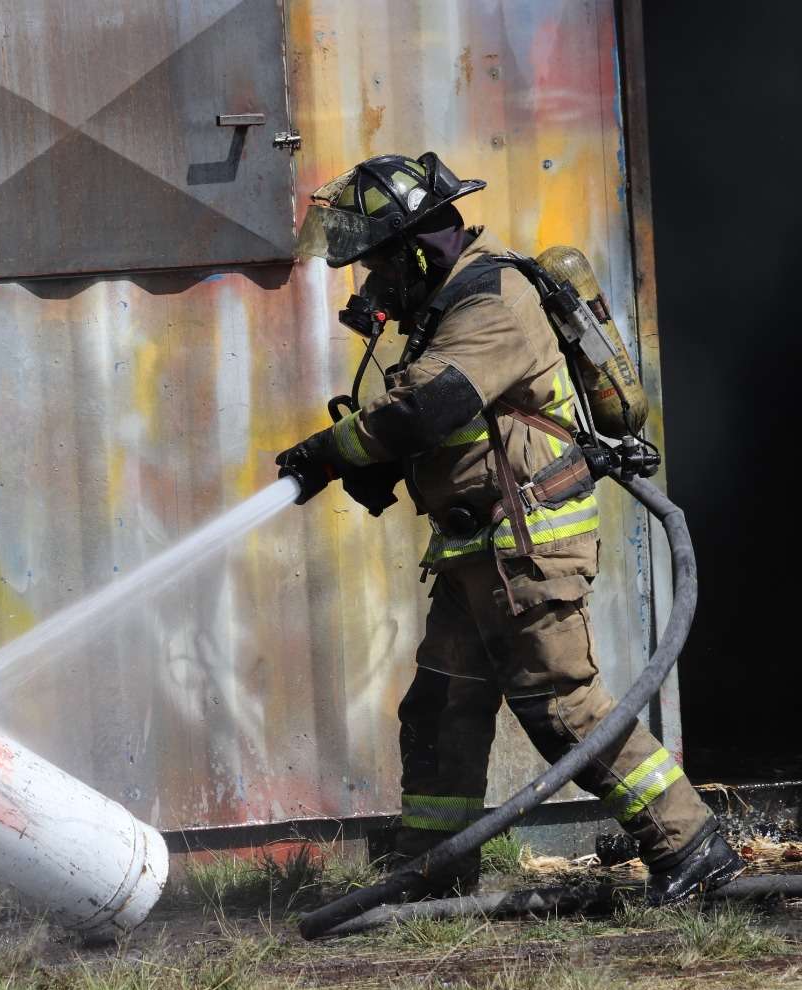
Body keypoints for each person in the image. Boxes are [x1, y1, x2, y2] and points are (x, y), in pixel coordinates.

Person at [276, 153, 741, 903]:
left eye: (378, 263)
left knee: (562, 706)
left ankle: (691, 845)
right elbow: (448, 426)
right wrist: (381, 464)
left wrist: (330, 451)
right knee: (441, 709)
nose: (371, 282)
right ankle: (432, 870)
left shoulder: (492, 298)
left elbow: (430, 405)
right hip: (475, 550)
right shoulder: (446, 306)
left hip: (525, 544)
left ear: (416, 252)